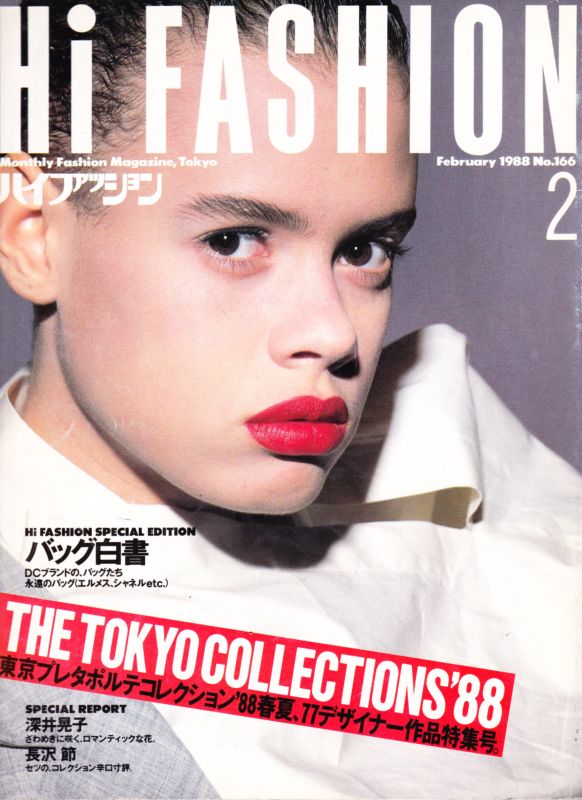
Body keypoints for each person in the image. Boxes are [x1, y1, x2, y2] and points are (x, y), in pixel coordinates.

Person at [0, 1, 580, 798]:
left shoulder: (448, 446)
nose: (334, 333)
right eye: (233, 241)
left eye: (364, 249)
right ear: (34, 233)